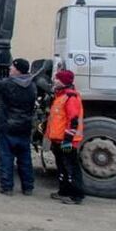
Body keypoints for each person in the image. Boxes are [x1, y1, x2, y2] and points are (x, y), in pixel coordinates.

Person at [0, 58, 37, 195]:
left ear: (17, 70)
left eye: (12, 67)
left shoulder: (9, 84)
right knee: (25, 158)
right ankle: (28, 187)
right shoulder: (32, 85)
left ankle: (7, 187)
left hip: (7, 125)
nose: (10, 69)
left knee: (6, 157)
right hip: (24, 126)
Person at [47, 69, 85, 204]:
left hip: (67, 141)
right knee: (62, 166)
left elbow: (73, 120)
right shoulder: (61, 96)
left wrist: (68, 140)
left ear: (63, 81)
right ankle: (64, 191)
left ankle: (76, 195)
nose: (54, 81)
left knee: (70, 167)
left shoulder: (70, 97)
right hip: (59, 139)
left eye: (57, 78)